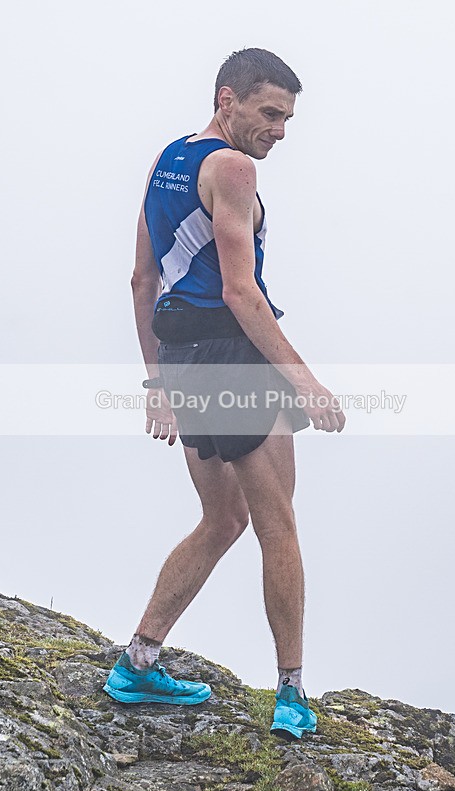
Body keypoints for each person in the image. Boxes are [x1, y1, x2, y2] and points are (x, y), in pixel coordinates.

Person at [103, 47, 346, 740]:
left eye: (287, 118)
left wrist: (158, 384)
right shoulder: (233, 169)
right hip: (233, 358)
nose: (279, 130)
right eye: (269, 113)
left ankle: (139, 660)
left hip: (183, 357)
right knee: (278, 525)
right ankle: (291, 695)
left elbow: (140, 282)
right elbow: (240, 292)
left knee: (223, 520)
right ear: (226, 100)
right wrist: (305, 381)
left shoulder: (168, 160)